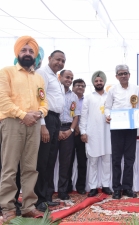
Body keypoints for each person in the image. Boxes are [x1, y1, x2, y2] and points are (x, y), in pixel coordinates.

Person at [0, 36, 48, 222]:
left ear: (35, 56)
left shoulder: (38, 78)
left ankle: (28, 206)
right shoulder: (6, 72)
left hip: (34, 123)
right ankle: (7, 207)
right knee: (9, 167)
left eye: (31, 51)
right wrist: (23, 115)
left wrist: (39, 112)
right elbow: (3, 100)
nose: (27, 54)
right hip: (13, 123)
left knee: (30, 168)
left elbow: (43, 101)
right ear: (17, 53)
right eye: (24, 50)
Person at [105, 64, 139, 199]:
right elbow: (107, 107)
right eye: (120, 74)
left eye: (125, 73)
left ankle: (127, 187)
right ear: (116, 76)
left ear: (129, 74)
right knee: (116, 159)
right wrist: (107, 115)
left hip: (131, 128)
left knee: (129, 159)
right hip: (116, 128)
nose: (123, 76)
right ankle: (116, 188)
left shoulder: (136, 89)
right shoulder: (112, 90)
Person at [34, 50, 66, 212]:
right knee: (42, 160)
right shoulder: (42, 73)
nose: (60, 63)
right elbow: (38, 99)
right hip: (46, 119)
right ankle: (38, 199)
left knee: (51, 160)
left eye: (63, 61)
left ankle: (47, 197)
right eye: (57, 60)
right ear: (49, 59)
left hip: (55, 120)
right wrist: (42, 125)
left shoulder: (57, 78)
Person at [80, 71, 113, 197]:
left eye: (101, 81)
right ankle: (93, 186)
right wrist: (83, 132)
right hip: (92, 133)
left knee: (106, 160)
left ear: (104, 82)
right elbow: (83, 116)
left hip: (107, 133)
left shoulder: (109, 96)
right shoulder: (88, 97)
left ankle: (105, 185)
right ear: (93, 83)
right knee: (92, 161)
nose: (99, 83)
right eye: (96, 81)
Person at [55, 70, 80, 200]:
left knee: (66, 162)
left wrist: (70, 130)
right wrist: (57, 130)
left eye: (71, 78)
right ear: (60, 77)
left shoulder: (74, 96)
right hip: (54, 129)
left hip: (68, 129)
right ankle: (47, 191)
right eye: (67, 77)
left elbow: (76, 116)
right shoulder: (53, 92)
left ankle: (62, 191)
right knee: (50, 161)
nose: (69, 80)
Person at [67, 78, 87, 195]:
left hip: (82, 135)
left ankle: (81, 186)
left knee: (82, 162)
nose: (80, 87)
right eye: (78, 85)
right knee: (68, 161)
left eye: (83, 86)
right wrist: (73, 127)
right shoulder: (68, 98)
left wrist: (81, 129)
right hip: (69, 132)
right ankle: (67, 186)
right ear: (73, 87)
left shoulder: (87, 100)